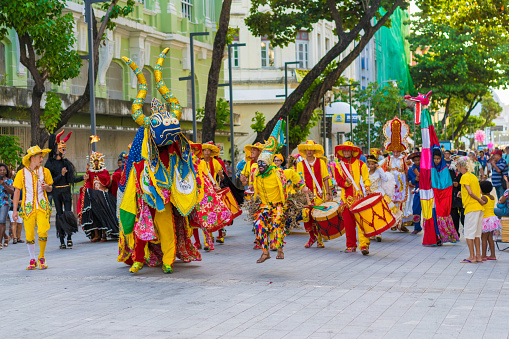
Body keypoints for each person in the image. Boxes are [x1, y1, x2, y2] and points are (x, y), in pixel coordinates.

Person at [118, 49, 201, 274]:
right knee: (141, 226)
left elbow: (185, 162)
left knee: (166, 227)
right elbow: (137, 158)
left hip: (166, 190)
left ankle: (168, 260)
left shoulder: (175, 147)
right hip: (145, 186)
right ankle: (138, 259)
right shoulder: (145, 134)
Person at [12, 146, 53, 270]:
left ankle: (41, 256)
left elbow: (51, 188)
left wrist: (47, 187)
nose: (42, 159)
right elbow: (16, 191)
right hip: (28, 207)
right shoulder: (21, 173)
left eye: (42, 156)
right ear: (32, 158)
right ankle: (32, 258)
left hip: (42, 206)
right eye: (40, 157)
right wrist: (15, 210)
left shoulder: (45, 171)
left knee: (42, 231)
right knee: (29, 234)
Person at [45, 130, 82, 249]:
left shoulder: (66, 163)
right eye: (61, 148)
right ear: (56, 149)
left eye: (64, 149)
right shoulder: (49, 163)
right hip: (56, 191)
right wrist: (61, 175)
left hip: (66, 191)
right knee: (60, 214)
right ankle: (62, 239)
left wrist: (84, 177)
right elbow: (49, 181)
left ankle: (69, 237)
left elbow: (71, 179)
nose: (63, 151)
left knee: (67, 213)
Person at [333, 141, 371, 254]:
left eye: (348, 150)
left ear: (352, 151)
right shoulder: (338, 166)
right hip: (345, 199)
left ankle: (364, 245)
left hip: (359, 197)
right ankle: (351, 245)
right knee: (348, 224)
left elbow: (366, 178)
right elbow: (339, 181)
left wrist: (368, 188)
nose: (346, 152)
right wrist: (346, 183)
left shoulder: (361, 164)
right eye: (344, 150)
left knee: (361, 223)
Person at [296, 140, 332, 248]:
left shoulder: (321, 162)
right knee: (306, 216)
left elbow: (326, 178)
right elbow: (299, 180)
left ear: (314, 150)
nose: (309, 151)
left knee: (318, 218)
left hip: (320, 195)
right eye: (307, 149)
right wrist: (303, 187)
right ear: (305, 150)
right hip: (306, 196)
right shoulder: (300, 164)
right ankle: (312, 237)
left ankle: (319, 239)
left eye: (311, 149)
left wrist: (329, 193)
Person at [79, 151, 119, 242]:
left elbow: (108, 183)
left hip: (103, 196)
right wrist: (86, 179)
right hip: (93, 196)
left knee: (104, 215)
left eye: (98, 161)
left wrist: (108, 181)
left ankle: (104, 235)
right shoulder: (90, 172)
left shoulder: (104, 172)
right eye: (95, 161)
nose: (96, 163)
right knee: (94, 215)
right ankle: (97, 235)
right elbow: (88, 184)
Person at [381, 117, 411, 232]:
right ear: (392, 151)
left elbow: (408, 170)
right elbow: (382, 171)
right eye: (394, 151)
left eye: (398, 151)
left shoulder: (404, 160)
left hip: (402, 185)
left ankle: (400, 223)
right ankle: (393, 223)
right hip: (391, 186)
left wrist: (411, 180)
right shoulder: (388, 159)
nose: (396, 153)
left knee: (401, 204)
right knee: (392, 204)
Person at [458, 157, 486, 263]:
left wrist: (479, 200)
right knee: (477, 234)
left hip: (471, 208)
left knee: (469, 233)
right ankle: (478, 256)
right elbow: (477, 191)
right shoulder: (473, 176)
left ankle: (471, 257)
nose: (457, 168)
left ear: (461, 166)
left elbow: (470, 192)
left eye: (458, 166)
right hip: (478, 208)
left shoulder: (464, 177)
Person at [366, 155, 399, 242]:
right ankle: (372, 233)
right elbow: (363, 184)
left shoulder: (378, 172)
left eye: (372, 164)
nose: (371, 165)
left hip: (379, 196)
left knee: (379, 214)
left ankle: (378, 233)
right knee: (371, 215)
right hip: (369, 196)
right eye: (369, 164)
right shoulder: (366, 173)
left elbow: (385, 178)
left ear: (375, 164)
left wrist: (379, 168)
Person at [479, 181, 501, 261]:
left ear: (481, 189)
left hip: (486, 219)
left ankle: (483, 256)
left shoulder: (483, 198)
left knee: (484, 238)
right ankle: (493, 255)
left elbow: (479, 205)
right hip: (493, 219)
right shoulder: (492, 197)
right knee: (490, 238)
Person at [407, 152, 422, 234]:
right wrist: (414, 180)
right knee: (416, 209)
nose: (417, 162)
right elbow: (409, 182)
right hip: (417, 191)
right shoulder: (410, 170)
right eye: (415, 160)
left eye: (418, 160)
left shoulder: (425, 168)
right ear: (412, 160)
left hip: (426, 190)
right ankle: (417, 227)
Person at [0, 163, 14, 249]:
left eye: (3, 170)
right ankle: (6, 237)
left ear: (6, 171)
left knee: (2, 221)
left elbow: (11, 192)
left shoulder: (9, 181)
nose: (2, 171)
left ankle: (0, 243)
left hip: (5, 203)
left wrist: (4, 185)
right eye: (0, 170)